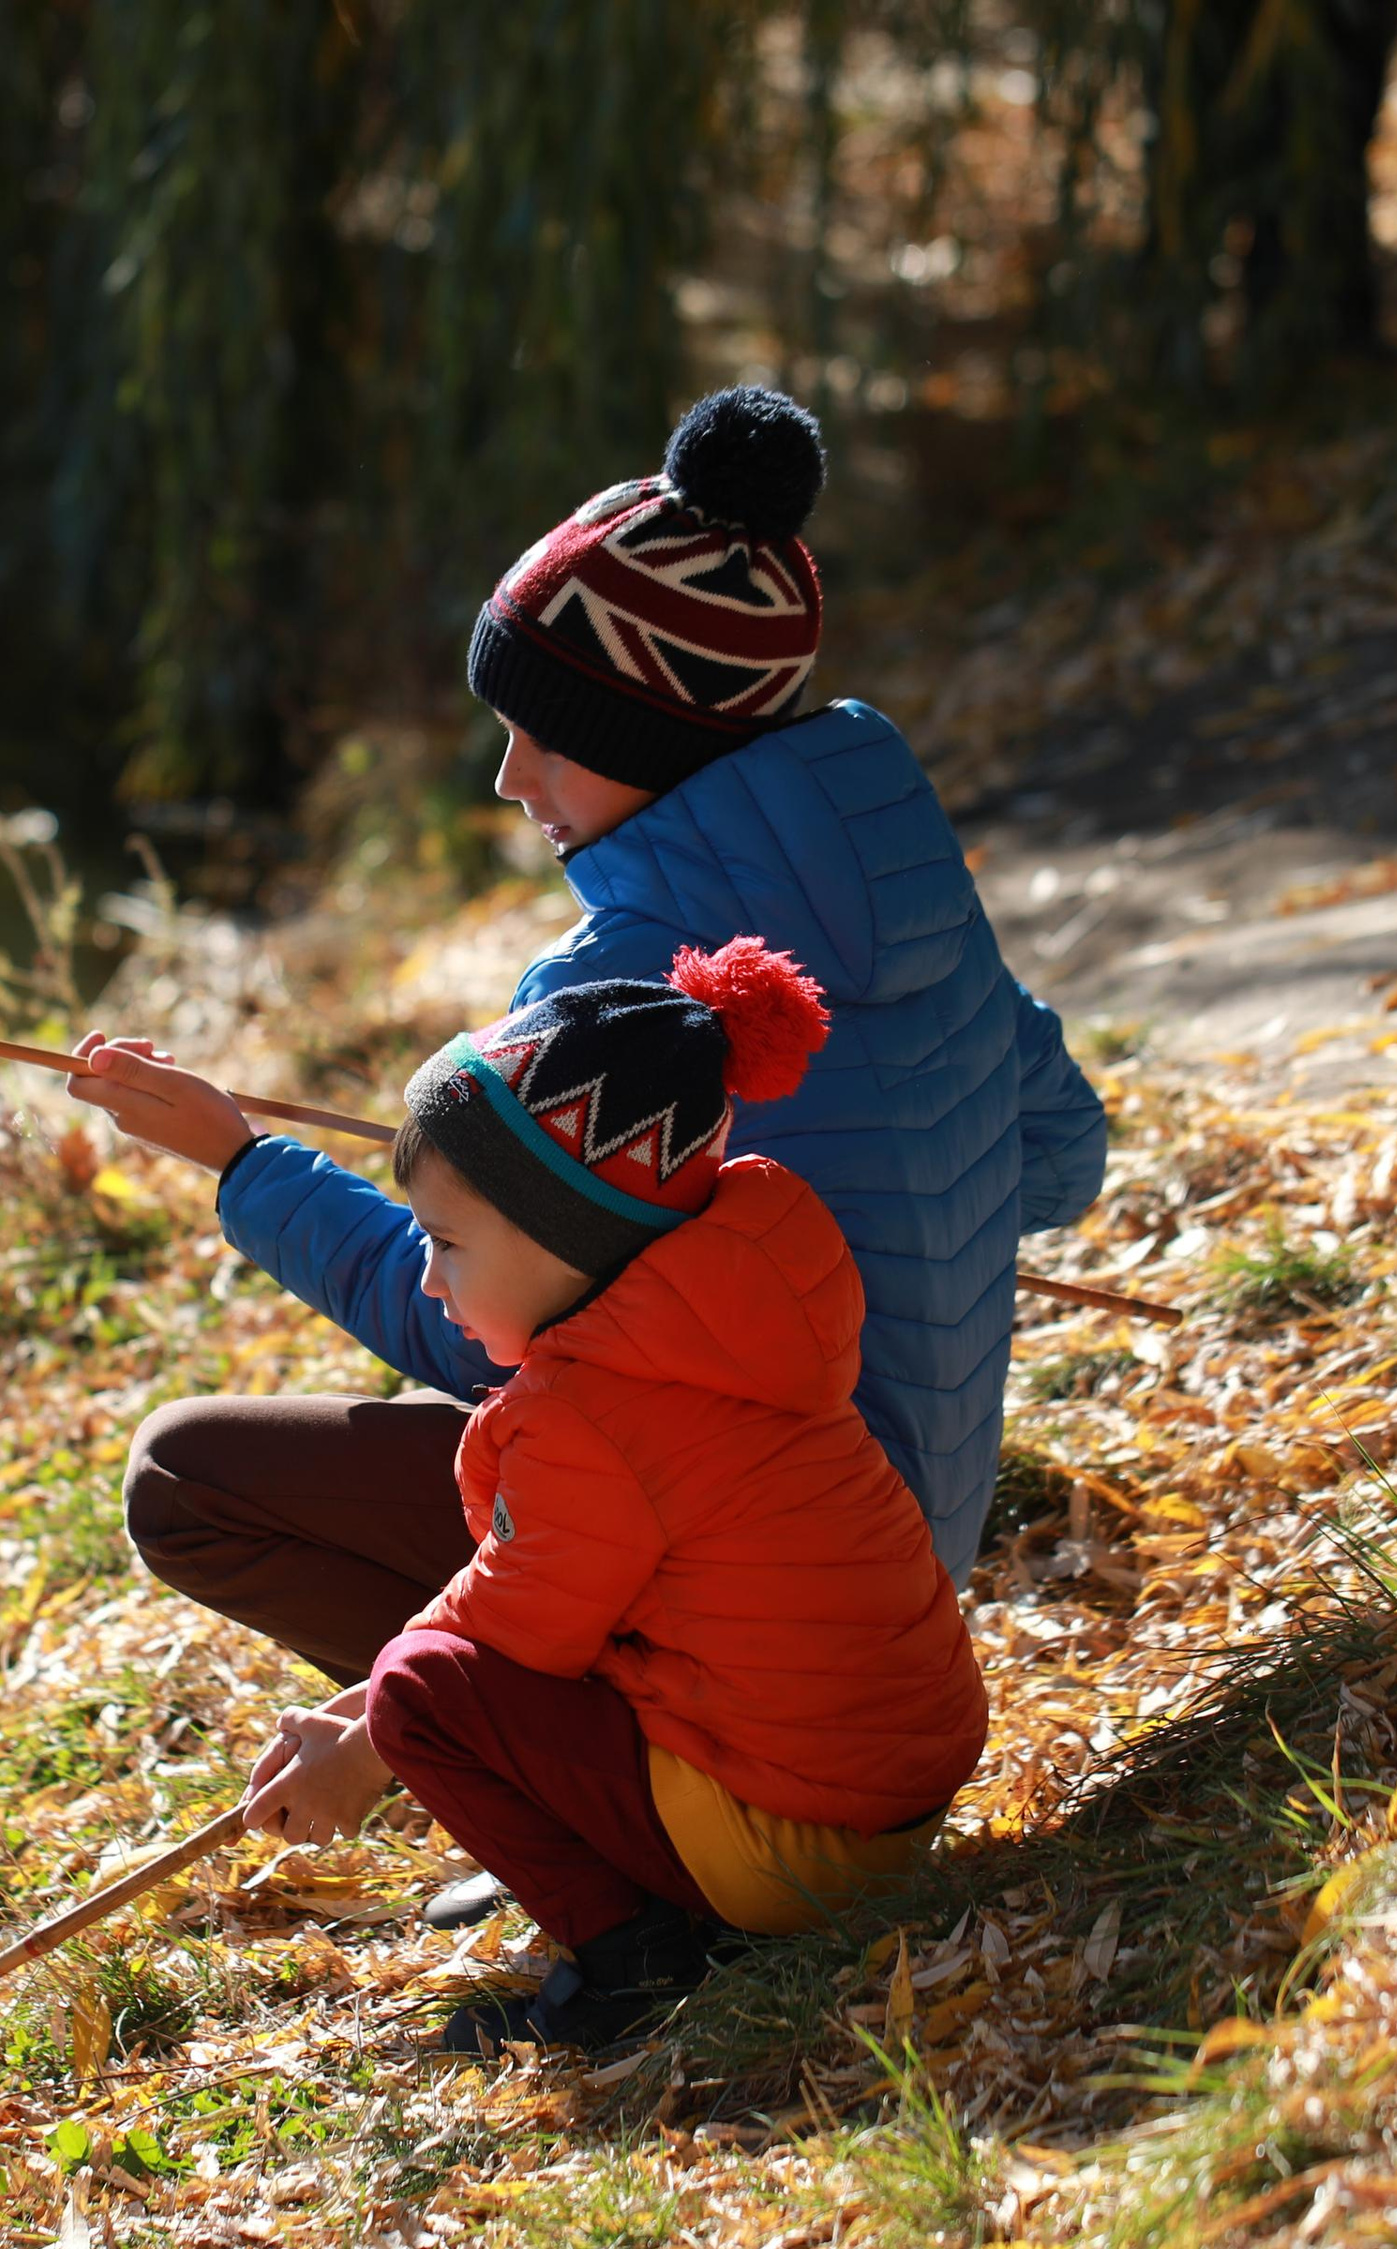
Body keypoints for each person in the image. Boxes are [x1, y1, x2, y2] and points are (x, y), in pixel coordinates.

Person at [68, 380, 1102, 1732]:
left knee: (185, 1483)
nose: (511, 779)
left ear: (654, 743)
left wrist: (237, 1161)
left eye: (545, 740)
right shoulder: (905, 879)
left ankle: (586, 1778)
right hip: (911, 1545)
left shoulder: (614, 986)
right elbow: (1064, 1161)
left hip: (763, 1583)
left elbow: (473, 1324)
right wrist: (895, 1235)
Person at [228, 942, 989, 2049]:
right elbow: (525, 1591)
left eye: (445, 1243)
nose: (427, 1277)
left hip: (800, 1839)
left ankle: (630, 1963)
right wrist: (353, 1715)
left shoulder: (593, 1412)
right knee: (416, 1679)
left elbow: (504, 1636)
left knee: (422, 1694)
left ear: (564, 1236)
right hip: (885, 1787)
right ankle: (660, 1891)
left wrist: (367, 1737)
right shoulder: (720, 1320)